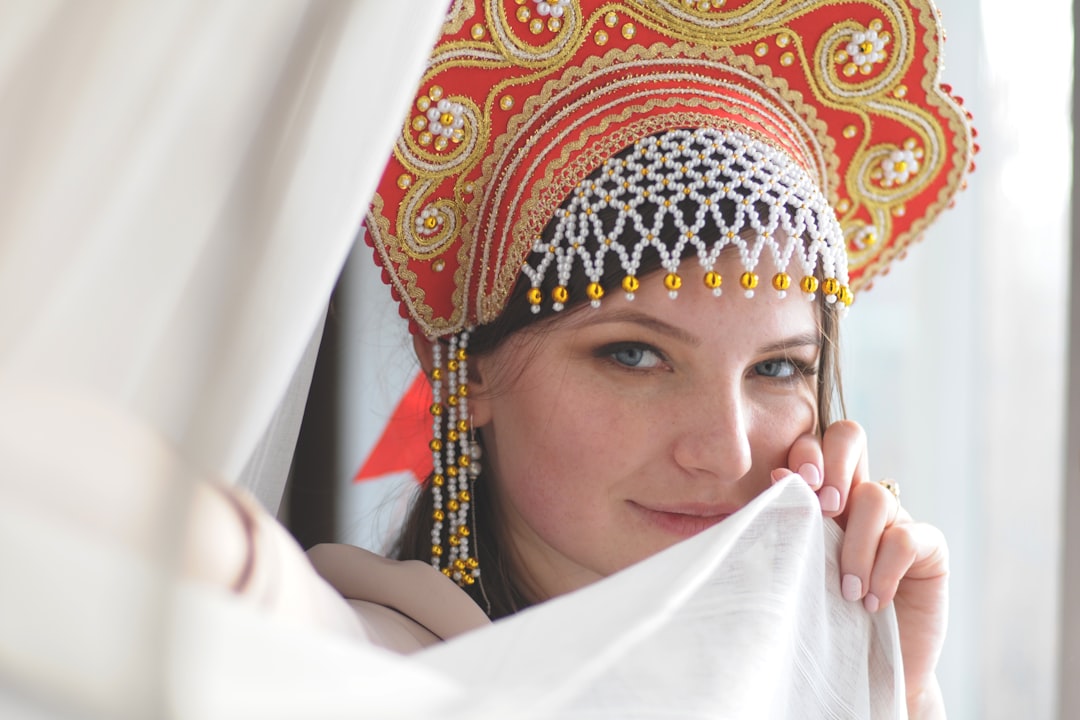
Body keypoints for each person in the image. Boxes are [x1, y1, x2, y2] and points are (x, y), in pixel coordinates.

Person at [305, 0, 975, 717]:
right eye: (634, 354)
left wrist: (877, 679)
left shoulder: (787, 677)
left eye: (777, 369)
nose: (725, 452)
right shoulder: (347, 673)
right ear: (464, 368)